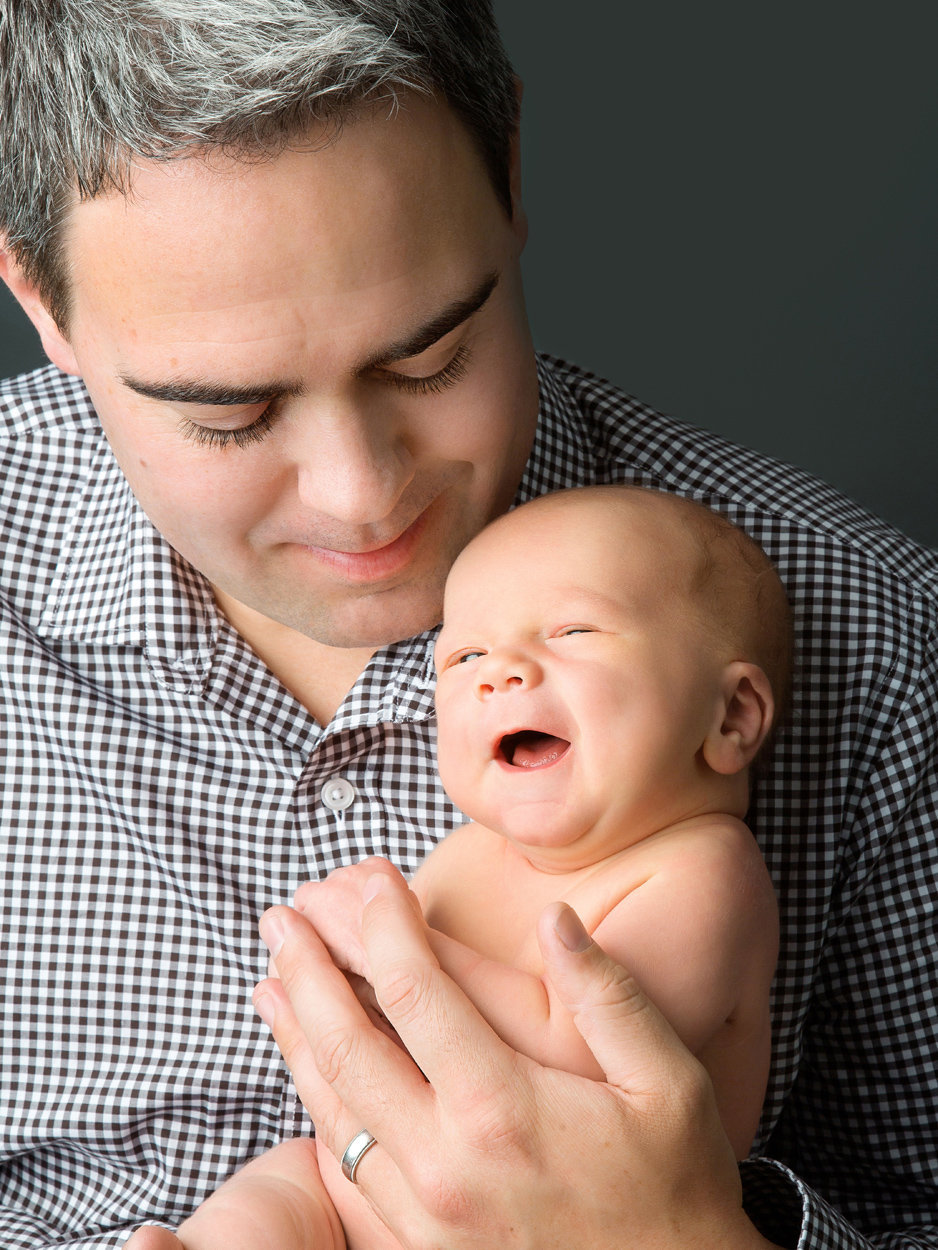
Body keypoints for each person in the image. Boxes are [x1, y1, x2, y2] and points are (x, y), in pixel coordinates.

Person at [0, 2, 935, 1248]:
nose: (359, 492)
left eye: (430, 357)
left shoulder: (873, 639)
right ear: (41, 302)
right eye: (228, 416)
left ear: (505, 182)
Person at [156, 484, 789, 1250]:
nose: (499, 674)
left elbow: (572, 1063)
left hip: (559, 1224)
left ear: (731, 717)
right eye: (464, 656)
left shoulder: (702, 872)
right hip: (355, 1185)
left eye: (572, 630)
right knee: (279, 1187)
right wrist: (345, 954)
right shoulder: (478, 848)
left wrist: (398, 953)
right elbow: (376, 1016)